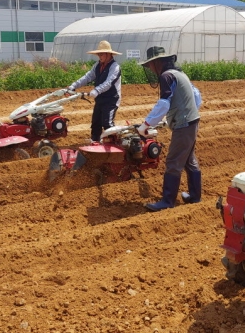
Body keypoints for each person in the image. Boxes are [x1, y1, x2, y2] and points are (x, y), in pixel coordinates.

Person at [137, 46, 202, 212]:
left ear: (158, 62)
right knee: (188, 160)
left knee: (173, 161)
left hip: (184, 124)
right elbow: (196, 95)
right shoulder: (180, 74)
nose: (150, 68)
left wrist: (146, 125)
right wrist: (185, 112)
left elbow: (164, 103)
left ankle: (167, 201)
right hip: (192, 121)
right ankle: (195, 196)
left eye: (151, 64)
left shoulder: (166, 76)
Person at [66, 40, 122, 143]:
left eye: (102, 54)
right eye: (98, 54)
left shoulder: (115, 67)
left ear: (108, 54)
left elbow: (109, 82)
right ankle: (95, 142)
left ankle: (115, 144)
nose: (99, 56)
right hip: (100, 99)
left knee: (107, 124)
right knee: (96, 123)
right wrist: (74, 85)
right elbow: (88, 77)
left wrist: (97, 90)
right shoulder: (98, 65)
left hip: (111, 100)